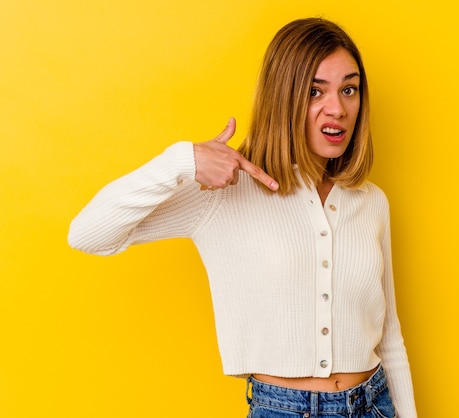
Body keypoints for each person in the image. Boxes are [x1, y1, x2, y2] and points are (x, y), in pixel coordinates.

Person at [68, 17, 418, 418]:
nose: (337, 109)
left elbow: (390, 338)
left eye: (349, 89)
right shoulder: (223, 193)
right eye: (314, 91)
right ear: (282, 98)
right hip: (282, 409)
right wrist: (181, 161)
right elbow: (88, 233)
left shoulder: (371, 201)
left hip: (374, 404)